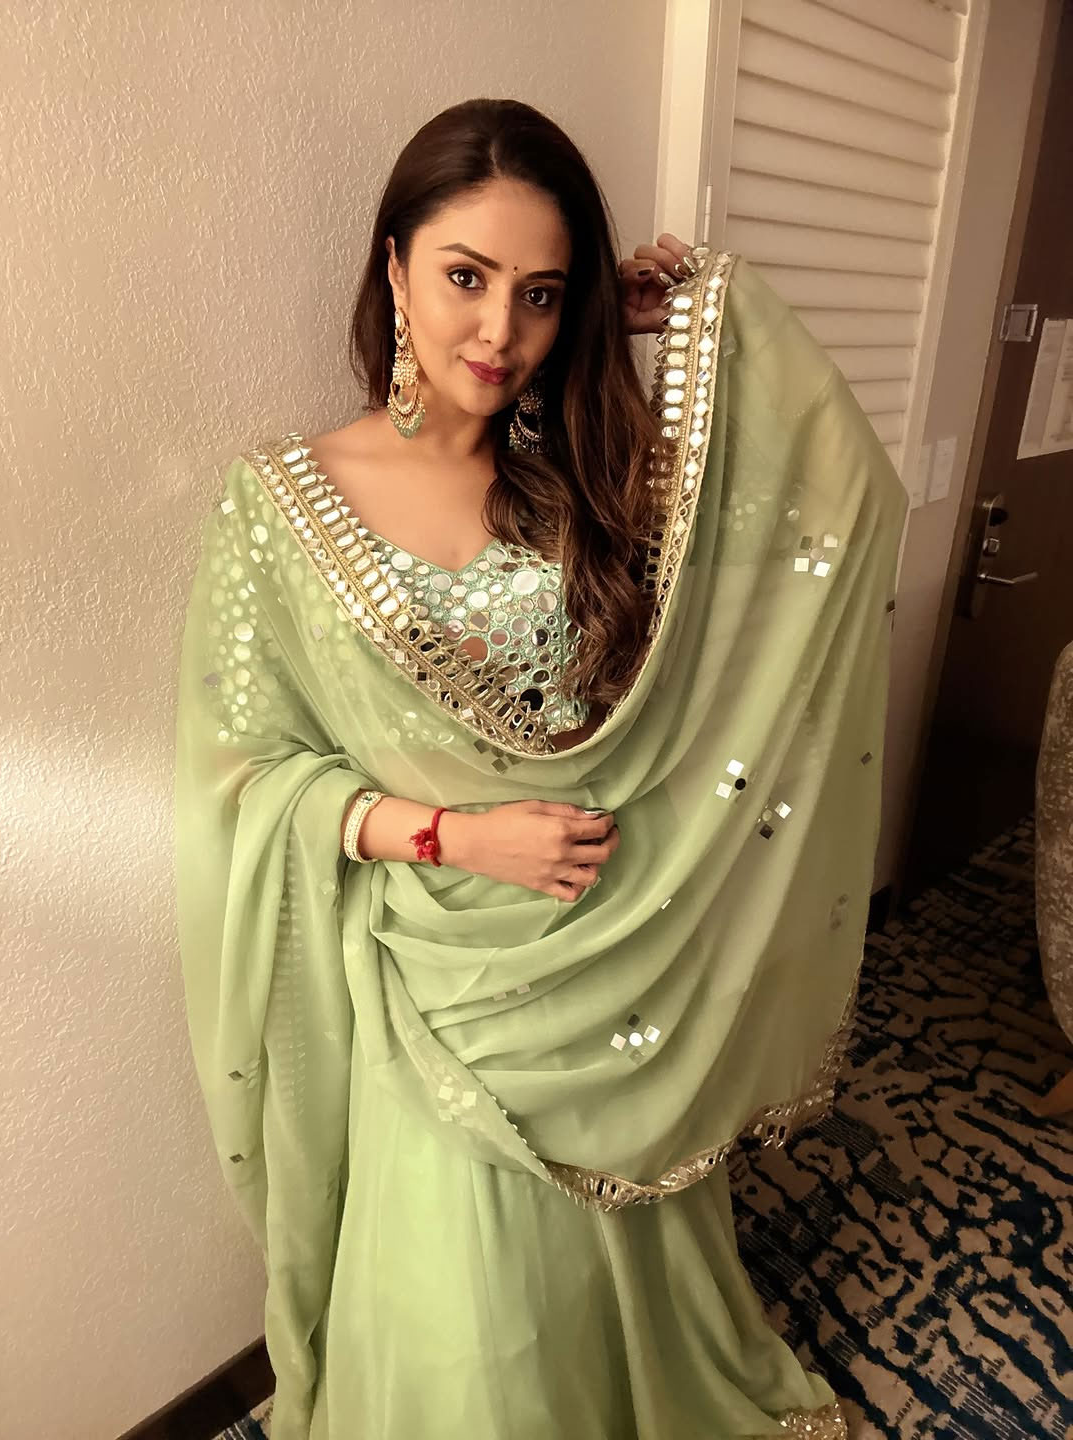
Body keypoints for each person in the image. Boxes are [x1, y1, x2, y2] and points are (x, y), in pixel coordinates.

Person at [175, 97, 907, 1440]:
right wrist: (453, 836)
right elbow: (248, 776)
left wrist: (699, 319)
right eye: (466, 276)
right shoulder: (280, 503)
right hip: (442, 992)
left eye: (543, 295)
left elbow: (834, 506)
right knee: (480, 1337)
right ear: (394, 265)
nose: (499, 332)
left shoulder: (589, 479)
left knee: (613, 1294)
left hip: (614, 959)